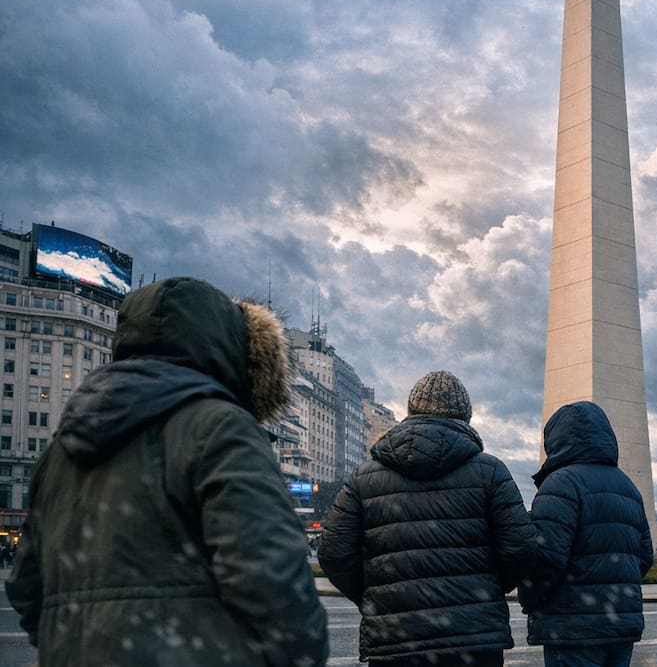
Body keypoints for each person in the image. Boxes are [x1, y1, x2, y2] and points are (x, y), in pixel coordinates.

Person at [4, 277, 329, 665]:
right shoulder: (220, 428)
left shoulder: (61, 447)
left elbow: (26, 587)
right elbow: (276, 586)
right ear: (235, 350)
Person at [319, 370, 536, 666]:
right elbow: (521, 548)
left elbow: (333, 552)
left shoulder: (364, 477)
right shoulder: (491, 472)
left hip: (396, 640)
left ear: (411, 413)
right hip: (473, 638)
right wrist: (485, 590)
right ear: (465, 417)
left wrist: (378, 596)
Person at [518, 401, 653, 667]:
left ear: (556, 439)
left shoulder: (560, 483)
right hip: (620, 627)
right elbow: (645, 555)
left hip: (572, 627)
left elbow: (546, 559)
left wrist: (530, 599)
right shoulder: (628, 486)